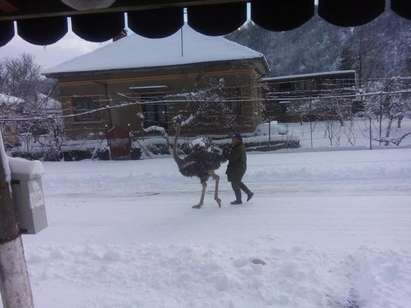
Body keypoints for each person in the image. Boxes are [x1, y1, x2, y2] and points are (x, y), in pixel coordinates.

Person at [226, 133, 254, 204]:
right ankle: (249, 193)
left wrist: (226, 154)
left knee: (235, 183)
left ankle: (239, 200)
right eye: (232, 139)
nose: (232, 140)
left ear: (238, 140)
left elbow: (232, 158)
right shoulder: (237, 146)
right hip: (238, 168)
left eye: (234, 139)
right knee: (237, 182)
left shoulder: (239, 148)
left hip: (238, 168)